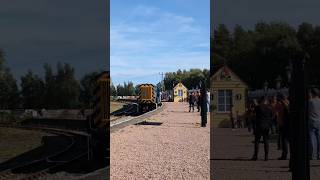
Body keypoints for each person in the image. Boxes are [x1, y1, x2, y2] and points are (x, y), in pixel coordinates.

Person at [251, 97, 274, 161]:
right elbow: (272, 116)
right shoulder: (270, 108)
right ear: (266, 101)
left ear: (261, 101)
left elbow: (253, 114)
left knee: (257, 141)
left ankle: (255, 156)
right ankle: (266, 156)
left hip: (259, 126)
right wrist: (269, 122)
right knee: (266, 141)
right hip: (266, 126)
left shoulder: (258, 107)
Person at [276, 94, 290, 160]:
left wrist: (280, 123)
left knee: (284, 140)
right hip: (290, 124)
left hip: (284, 124)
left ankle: (284, 155)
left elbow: (279, 115)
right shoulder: (289, 103)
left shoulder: (281, 105)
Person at [309, 88, 320, 160]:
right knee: (319, 139)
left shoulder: (310, 101)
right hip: (319, 121)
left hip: (312, 121)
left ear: (312, 93)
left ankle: (313, 155)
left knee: (313, 139)